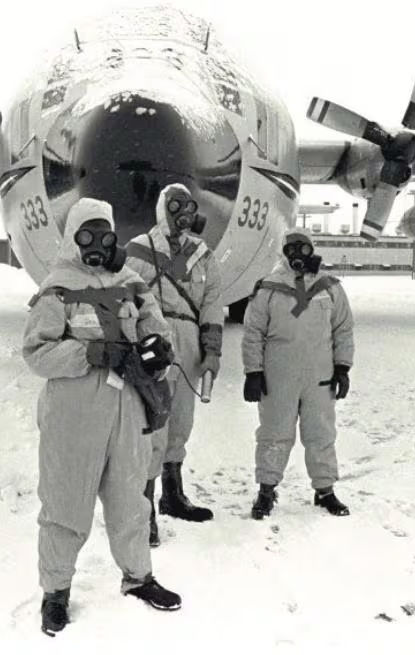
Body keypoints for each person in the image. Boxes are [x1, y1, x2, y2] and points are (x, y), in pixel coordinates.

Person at [22, 197, 182, 636]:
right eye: (86, 234)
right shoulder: (57, 287)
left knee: (131, 498)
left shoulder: (132, 283)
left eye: (104, 235)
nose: (96, 243)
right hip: (74, 413)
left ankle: (138, 577)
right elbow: (36, 353)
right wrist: (89, 353)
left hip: (127, 408)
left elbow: (158, 331)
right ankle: (56, 592)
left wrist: (159, 352)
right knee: (65, 503)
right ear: (72, 238)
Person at [126, 183, 224, 547]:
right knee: (153, 425)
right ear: (162, 208)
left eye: (188, 206)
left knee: (181, 421)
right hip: (154, 343)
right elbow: (125, 299)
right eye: (175, 205)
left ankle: (172, 494)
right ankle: (145, 509)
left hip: (189, 342)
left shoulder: (202, 255)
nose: (183, 212)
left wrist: (212, 351)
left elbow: (212, 303)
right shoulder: (138, 250)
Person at [241, 227, 354, 520]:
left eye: (303, 247)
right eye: (290, 248)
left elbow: (343, 329)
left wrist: (342, 367)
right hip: (278, 376)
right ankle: (266, 490)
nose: (297, 254)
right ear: (282, 251)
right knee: (274, 433)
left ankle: (325, 490)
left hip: (320, 376)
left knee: (321, 433)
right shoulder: (269, 288)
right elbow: (253, 332)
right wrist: (253, 371)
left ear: (312, 248)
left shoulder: (329, 287)